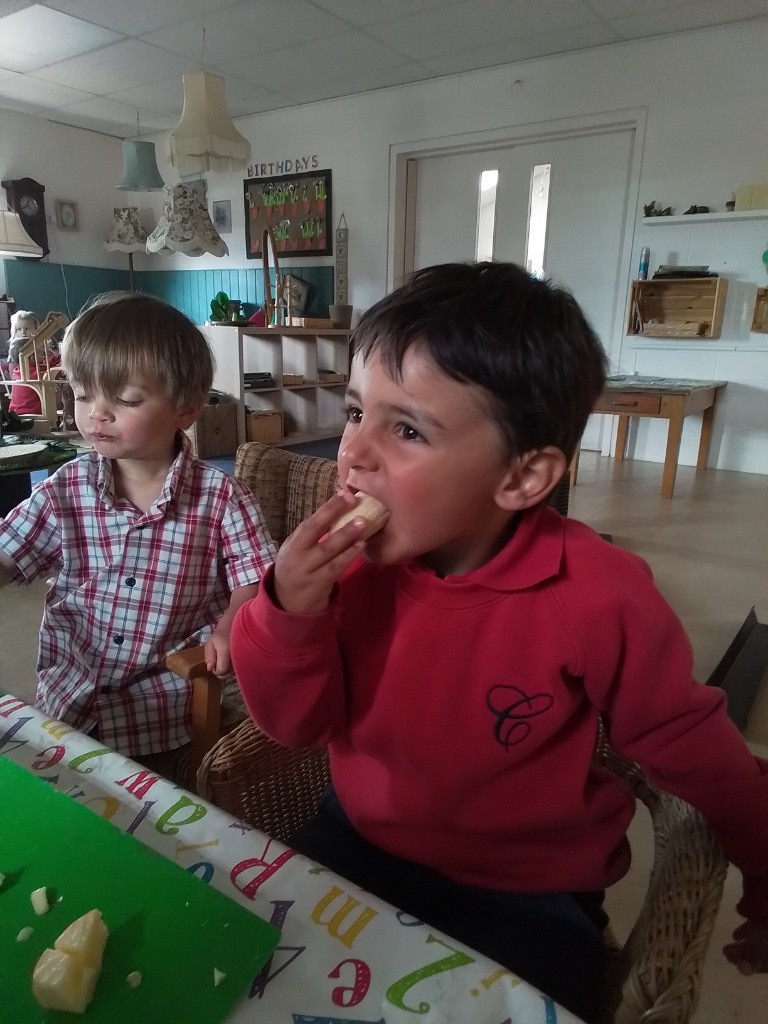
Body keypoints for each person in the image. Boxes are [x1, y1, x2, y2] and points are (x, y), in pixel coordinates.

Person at [229, 262, 768, 1022]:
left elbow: (691, 740)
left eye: (407, 428)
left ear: (523, 477)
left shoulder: (598, 593)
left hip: (526, 895)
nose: (352, 453)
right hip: (354, 841)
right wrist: (284, 608)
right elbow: (291, 726)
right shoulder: (346, 573)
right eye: (356, 412)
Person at [0, 292, 276, 763]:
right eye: (82, 394)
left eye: (125, 399)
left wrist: (233, 625)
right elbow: (9, 553)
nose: (95, 414)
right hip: (69, 695)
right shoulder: (66, 488)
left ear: (186, 408)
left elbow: (254, 577)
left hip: (164, 707)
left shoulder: (221, 497)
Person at [6, 308, 63, 417]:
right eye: (19, 329)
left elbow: (48, 360)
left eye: (26, 328)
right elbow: (48, 372)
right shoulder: (26, 368)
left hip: (17, 410)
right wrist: (60, 365)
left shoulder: (33, 357)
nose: (23, 332)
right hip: (31, 412)